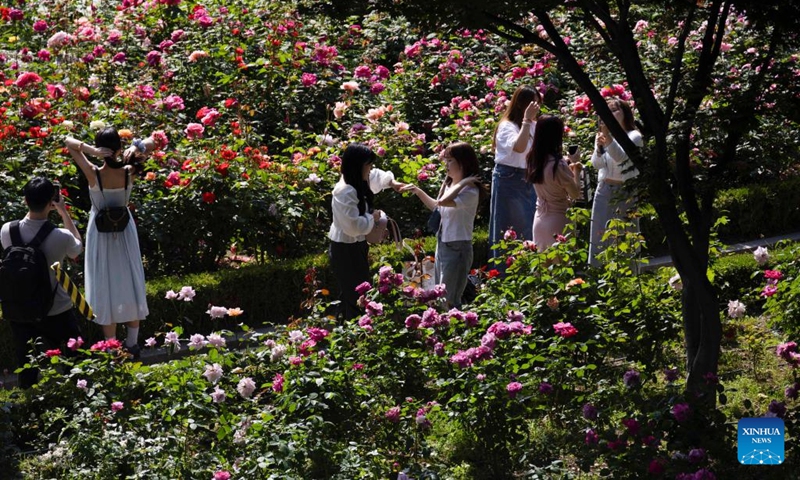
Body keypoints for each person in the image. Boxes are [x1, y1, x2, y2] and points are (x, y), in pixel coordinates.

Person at [64, 129, 154, 356]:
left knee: (105, 285)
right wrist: (133, 150)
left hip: (100, 234)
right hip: (125, 232)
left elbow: (68, 141)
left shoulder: (93, 173)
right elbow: (153, 142)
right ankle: (132, 345)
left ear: (100, 148)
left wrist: (90, 150)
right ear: (118, 148)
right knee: (130, 283)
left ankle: (112, 347)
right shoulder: (128, 171)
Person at [1, 177, 83, 388]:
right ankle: (77, 397)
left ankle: (30, 406)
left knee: (26, 364)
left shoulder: (6, 230)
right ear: (50, 203)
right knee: (73, 361)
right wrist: (64, 212)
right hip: (56, 308)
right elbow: (78, 248)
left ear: (26, 201)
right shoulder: (61, 236)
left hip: (20, 309)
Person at [403, 142, 485, 308]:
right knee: (440, 295)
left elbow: (443, 201)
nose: (446, 165)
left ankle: (456, 331)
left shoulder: (470, 191)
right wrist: (417, 191)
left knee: (449, 299)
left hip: (458, 247)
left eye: (450, 161)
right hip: (443, 242)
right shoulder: (450, 185)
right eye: (445, 160)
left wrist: (464, 182)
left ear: (463, 162)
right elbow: (437, 206)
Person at [328, 143, 404, 319]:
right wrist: (373, 218)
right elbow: (354, 227)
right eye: (368, 165)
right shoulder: (344, 191)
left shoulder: (358, 180)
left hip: (355, 246)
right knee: (356, 292)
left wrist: (392, 183)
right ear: (358, 166)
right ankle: (355, 331)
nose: (370, 169)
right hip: (345, 248)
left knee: (357, 289)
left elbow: (377, 176)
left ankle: (350, 329)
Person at [489, 85, 541, 269]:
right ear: (521, 104)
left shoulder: (534, 125)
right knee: (508, 229)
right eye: (533, 103)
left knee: (529, 228)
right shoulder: (507, 126)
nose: (537, 108)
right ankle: (503, 275)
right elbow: (518, 147)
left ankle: (528, 275)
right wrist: (526, 121)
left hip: (528, 177)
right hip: (509, 179)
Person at [588, 99, 643, 267]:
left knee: (627, 233)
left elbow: (621, 159)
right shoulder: (604, 137)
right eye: (607, 111)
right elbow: (596, 164)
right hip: (604, 189)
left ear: (625, 113)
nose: (609, 115)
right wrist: (598, 148)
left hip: (625, 190)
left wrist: (609, 140)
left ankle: (631, 275)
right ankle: (597, 274)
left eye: (614, 110)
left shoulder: (634, 136)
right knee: (599, 234)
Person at [526, 115, 582, 250]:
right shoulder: (558, 165)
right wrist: (577, 169)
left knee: (543, 267)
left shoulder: (533, 159)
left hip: (539, 220)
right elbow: (575, 194)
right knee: (562, 266)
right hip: (558, 220)